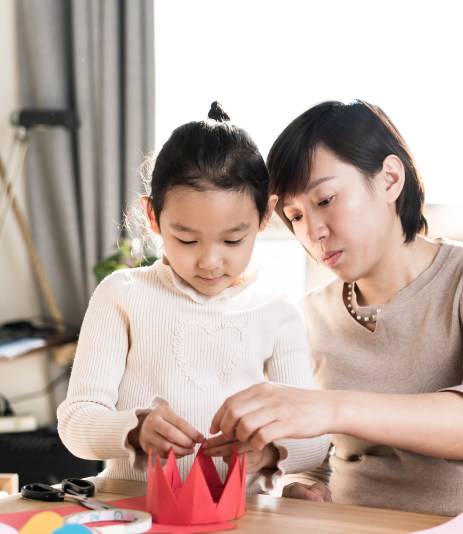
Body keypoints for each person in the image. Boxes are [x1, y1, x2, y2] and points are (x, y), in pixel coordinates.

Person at [205, 99, 463, 523]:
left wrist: (331, 409)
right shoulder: (309, 315)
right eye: (294, 216)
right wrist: (297, 482)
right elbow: (325, 458)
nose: (313, 232)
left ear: (389, 179)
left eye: (325, 200)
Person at [57, 102, 330, 492]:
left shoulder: (277, 313)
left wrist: (268, 454)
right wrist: (134, 429)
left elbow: (314, 438)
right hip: (135, 511)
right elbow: (75, 422)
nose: (210, 261)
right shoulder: (122, 296)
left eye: (233, 239)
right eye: (186, 239)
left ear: (265, 217)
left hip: (239, 515)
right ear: (152, 217)